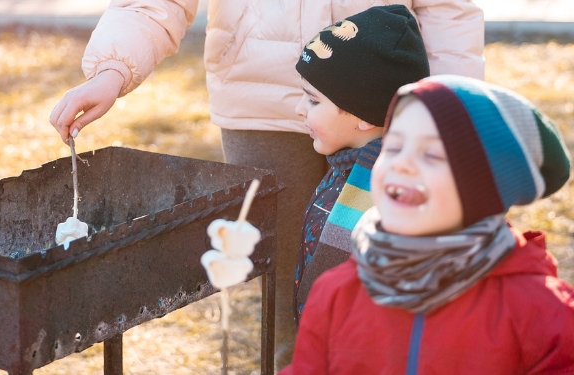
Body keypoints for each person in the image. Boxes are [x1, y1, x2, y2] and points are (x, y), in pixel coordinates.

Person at [48, 0, 485, 368]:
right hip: (258, 107)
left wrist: (448, 107)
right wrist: (112, 68)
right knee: (291, 312)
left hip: (391, 110)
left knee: (400, 293)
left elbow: (448, 9)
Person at [281, 74, 574, 374]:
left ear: (486, 189)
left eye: (432, 154)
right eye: (393, 147)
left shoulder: (539, 312)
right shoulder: (337, 292)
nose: (401, 163)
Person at [292, 5, 430, 324]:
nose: (300, 109)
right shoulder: (344, 166)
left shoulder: (386, 197)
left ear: (363, 115)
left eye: (313, 100)